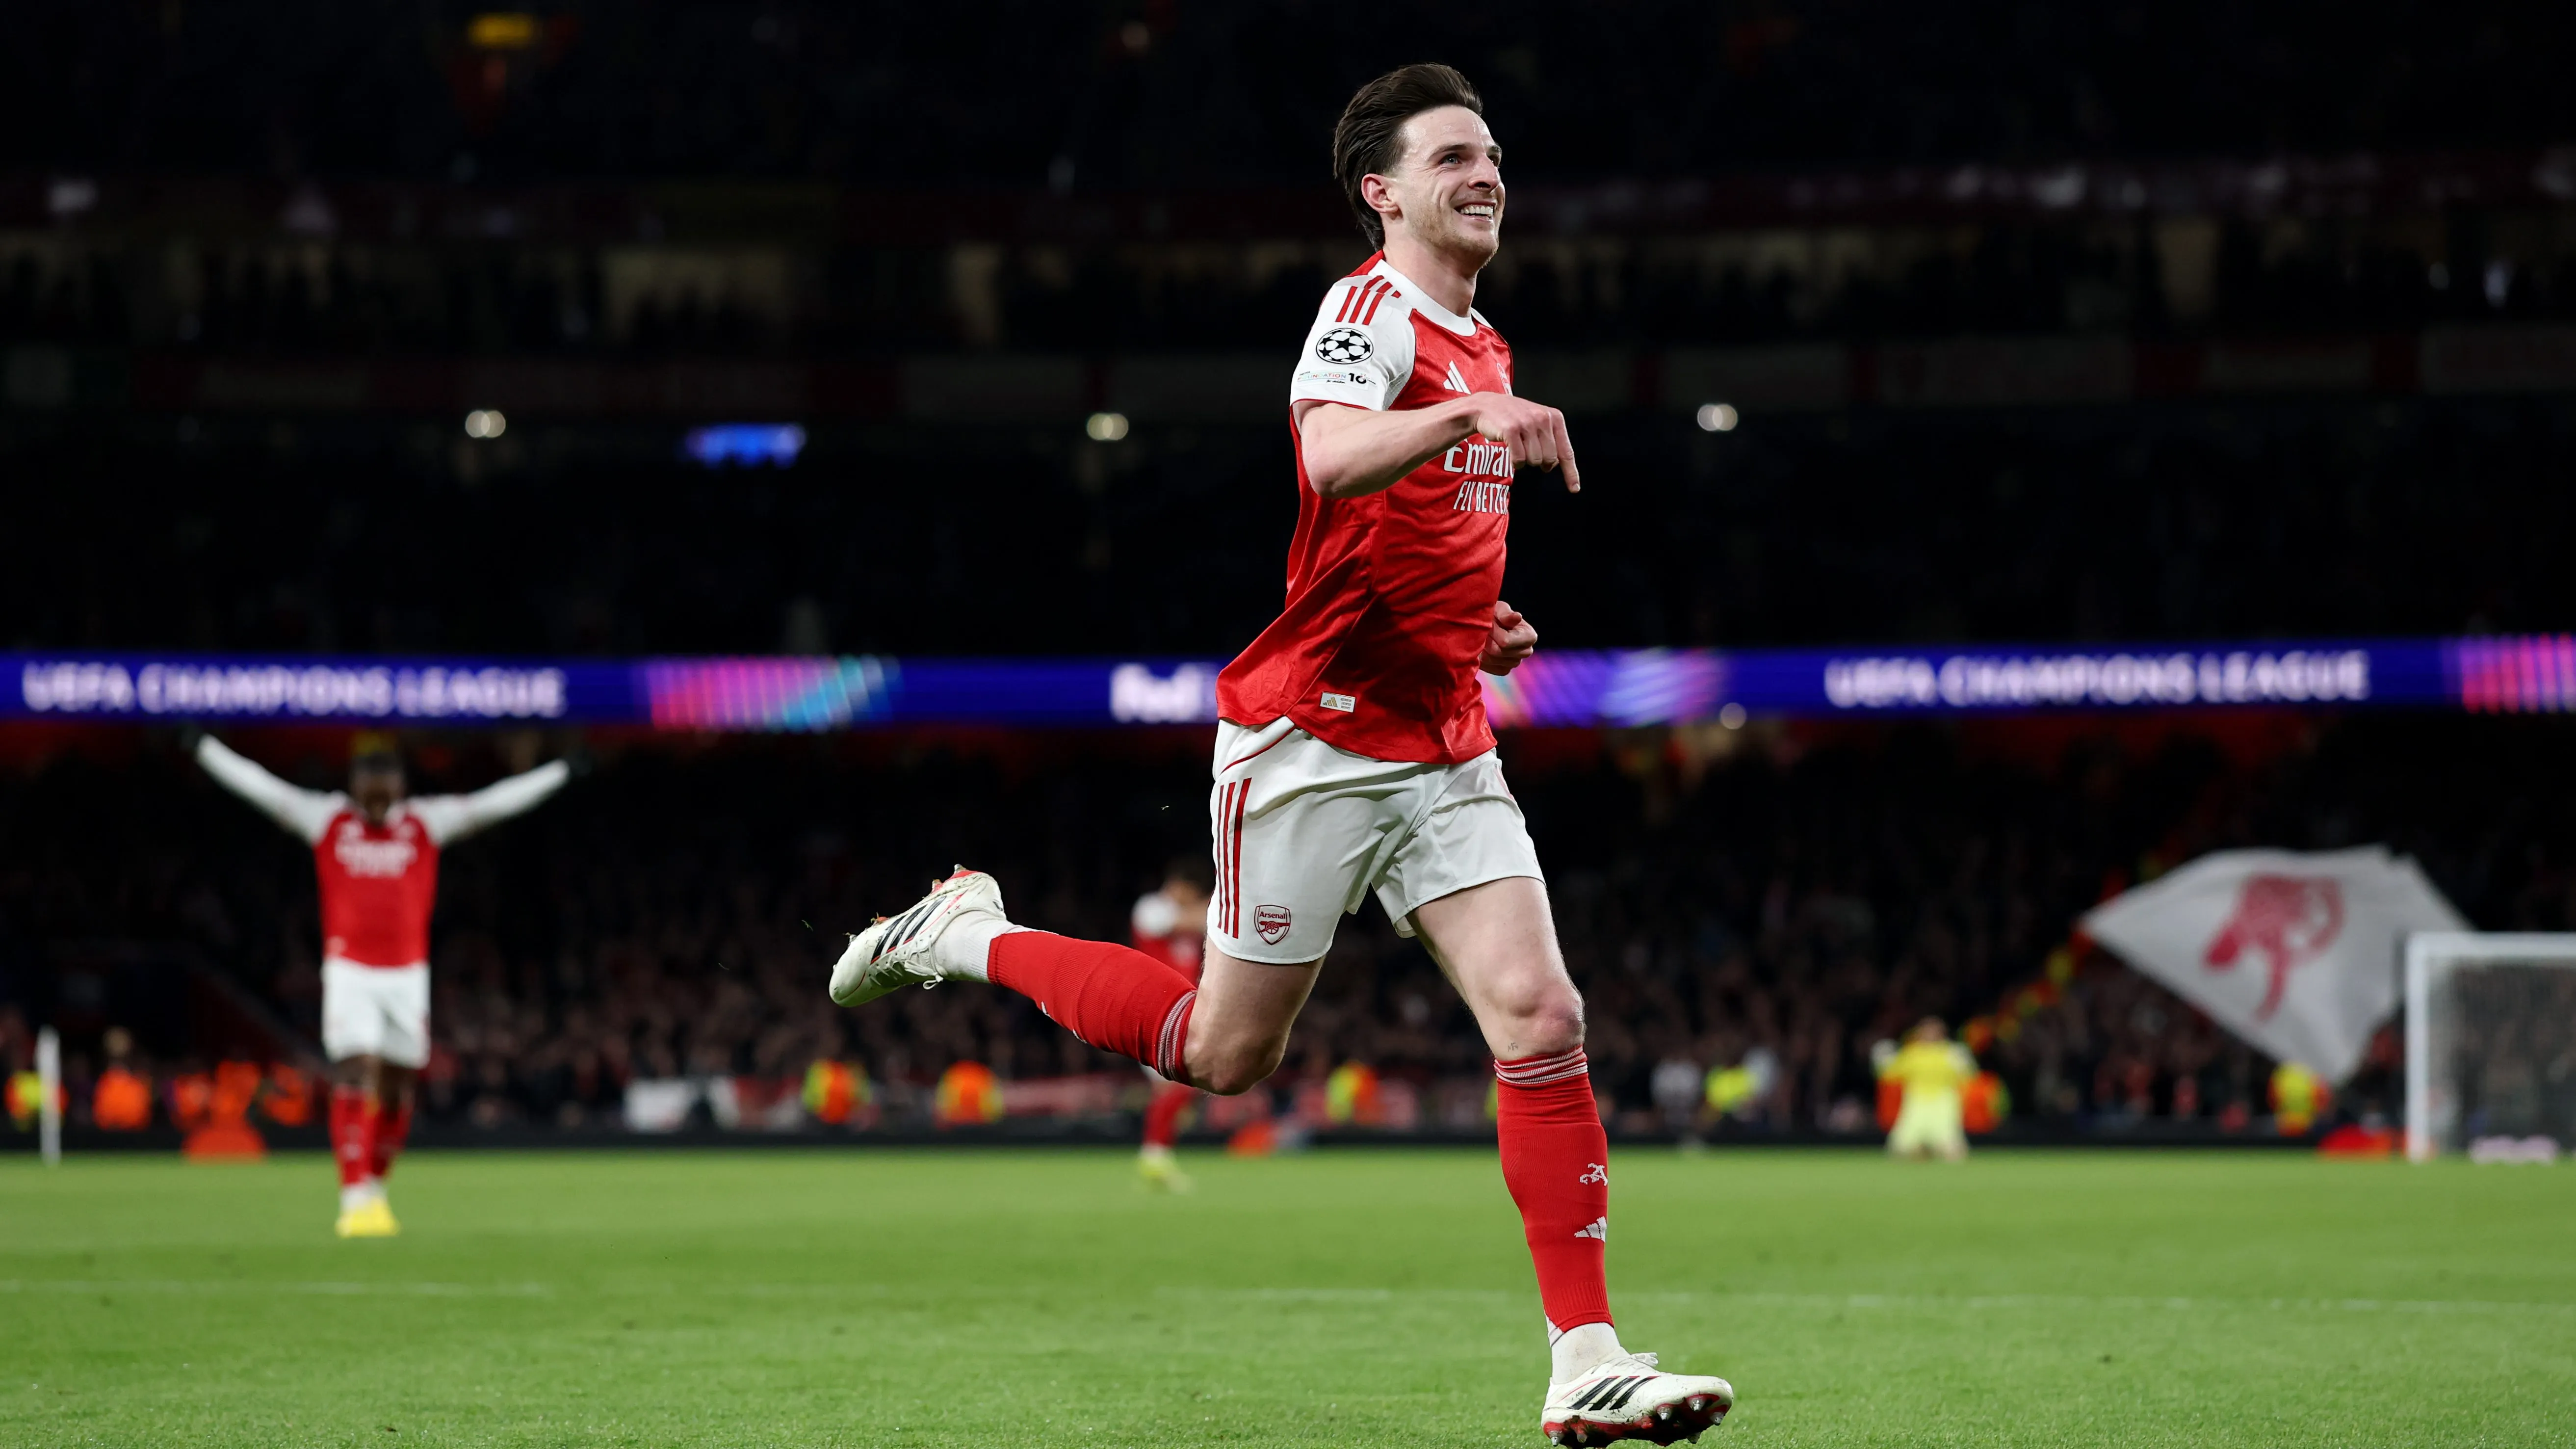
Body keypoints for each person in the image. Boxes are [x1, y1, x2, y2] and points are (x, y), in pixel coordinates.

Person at [828, 64, 1732, 1446]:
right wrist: (1460, 422)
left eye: (1492, 154)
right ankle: (968, 930)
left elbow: (1401, 532)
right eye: (1453, 158)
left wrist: (1467, 622)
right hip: (1306, 739)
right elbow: (1331, 459)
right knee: (1221, 1053)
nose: (1485, 174)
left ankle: (1585, 1358)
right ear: (1383, 192)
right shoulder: (1366, 314)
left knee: (1542, 1020)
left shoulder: (1484, 342)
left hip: (1439, 737)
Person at [193, 730, 571, 1237]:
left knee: (396, 1088)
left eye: (385, 780)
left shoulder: (424, 824)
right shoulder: (327, 819)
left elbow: (495, 803)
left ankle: (375, 1191)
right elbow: (259, 786)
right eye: (367, 781)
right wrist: (203, 749)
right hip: (350, 971)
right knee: (356, 1069)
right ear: (353, 784)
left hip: (407, 977)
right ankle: (352, 1199)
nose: (376, 791)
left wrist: (560, 771)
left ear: (399, 785)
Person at [1129, 860, 1212, 1190]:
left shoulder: (1185, 925)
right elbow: (1200, 918)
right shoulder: (1151, 907)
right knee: (1182, 1082)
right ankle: (1154, 1155)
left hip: (1182, 1011)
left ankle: (1157, 1157)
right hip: (1152, 1008)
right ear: (1177, 885)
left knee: (1180, 1084)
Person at [1872, 1018, 1976, 1162]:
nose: (1930, 1035)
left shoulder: (1950, 1054)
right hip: (1916, 1102)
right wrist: (1883, 1058)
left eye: (1934, 1032)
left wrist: (1965, 1063)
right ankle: (1922, 1150)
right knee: (1900, 1147)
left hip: (1943, 1101)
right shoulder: (1913, 1053)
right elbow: (1891, 1074)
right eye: (1927, 1031)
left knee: (1951, 1147)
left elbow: (1968, 1077)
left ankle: (1933, 1149)